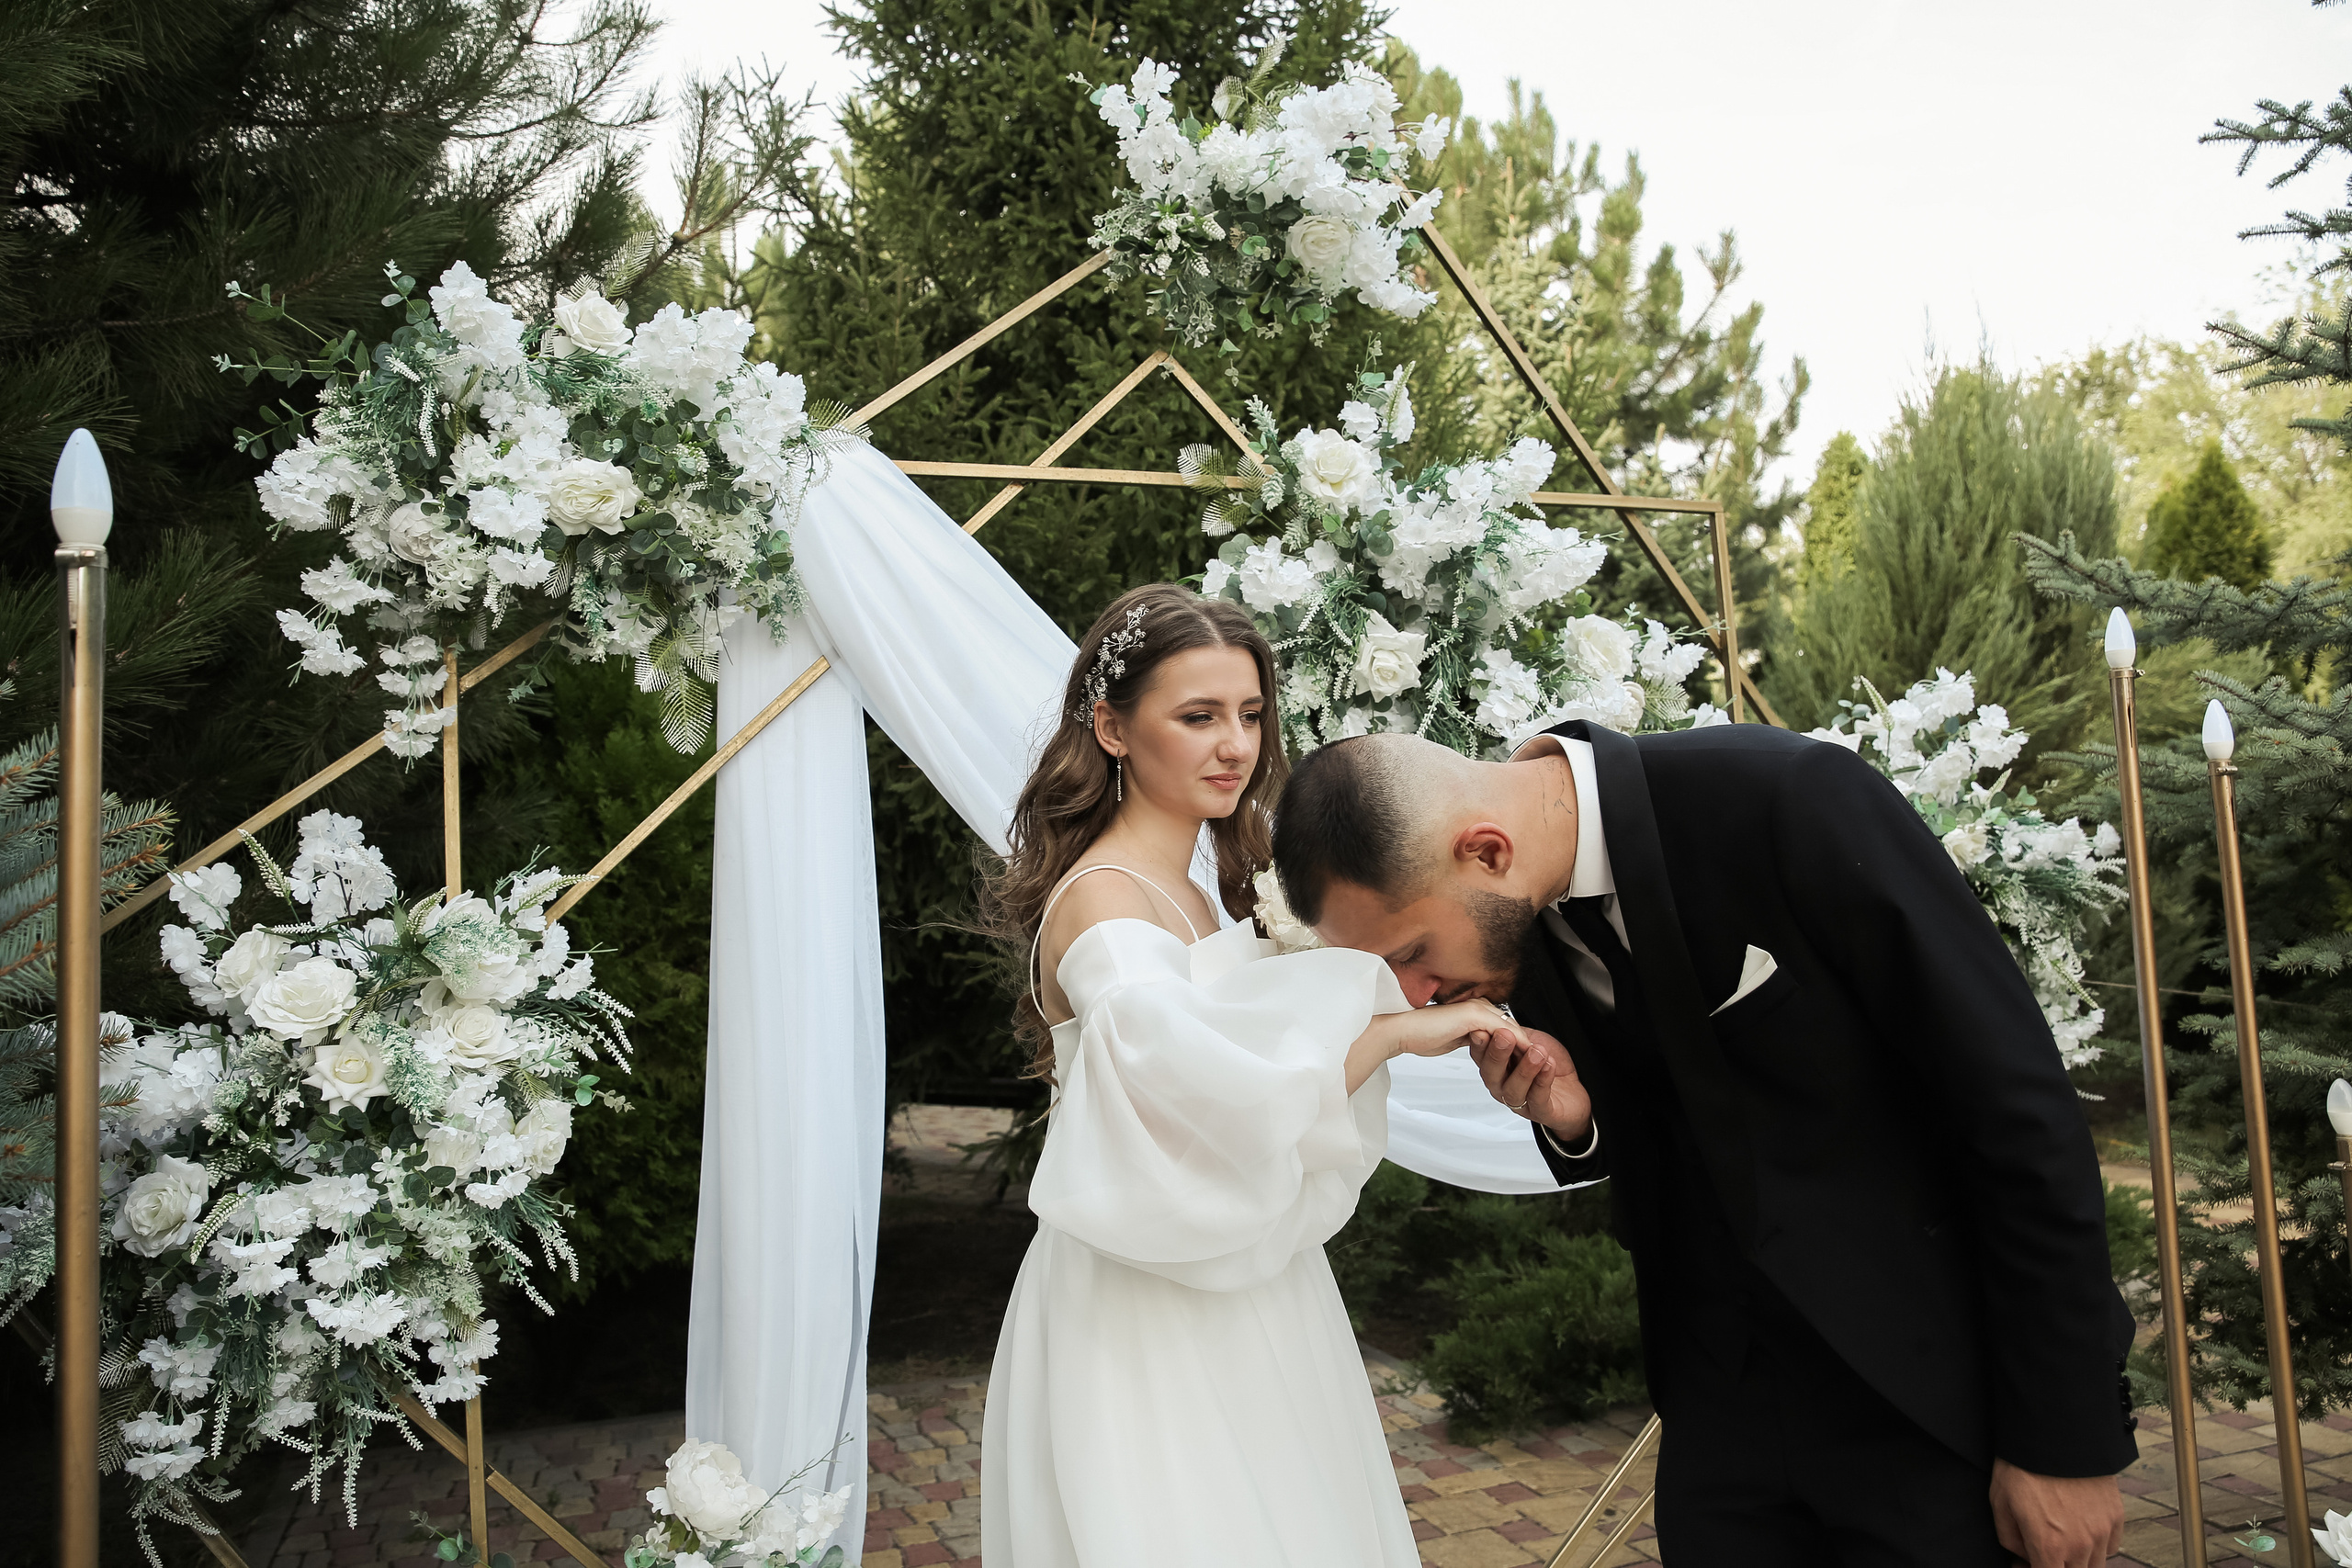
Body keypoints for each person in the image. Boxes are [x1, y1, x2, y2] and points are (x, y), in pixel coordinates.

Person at [1270, 718, 2140, 1568]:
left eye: (1415, 952)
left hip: (1930, 1402)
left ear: (1487, 849)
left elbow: (2017, 1110)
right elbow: (1696, 1125)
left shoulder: (1792, 799)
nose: (1419, 993)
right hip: (1719, 1424)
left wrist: (2065, 1440)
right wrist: (1581, 1119)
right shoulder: (1507, 919)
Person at [976, 583, 1523, 1568]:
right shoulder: (1103, 907)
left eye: (1249, 714)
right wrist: (1396, 1036)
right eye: (1197, 717)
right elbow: (1192, 1101)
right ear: (1110, 727)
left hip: (1249, 1277)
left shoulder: (1203, 889)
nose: (1235, 744)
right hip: (1141, 1298)